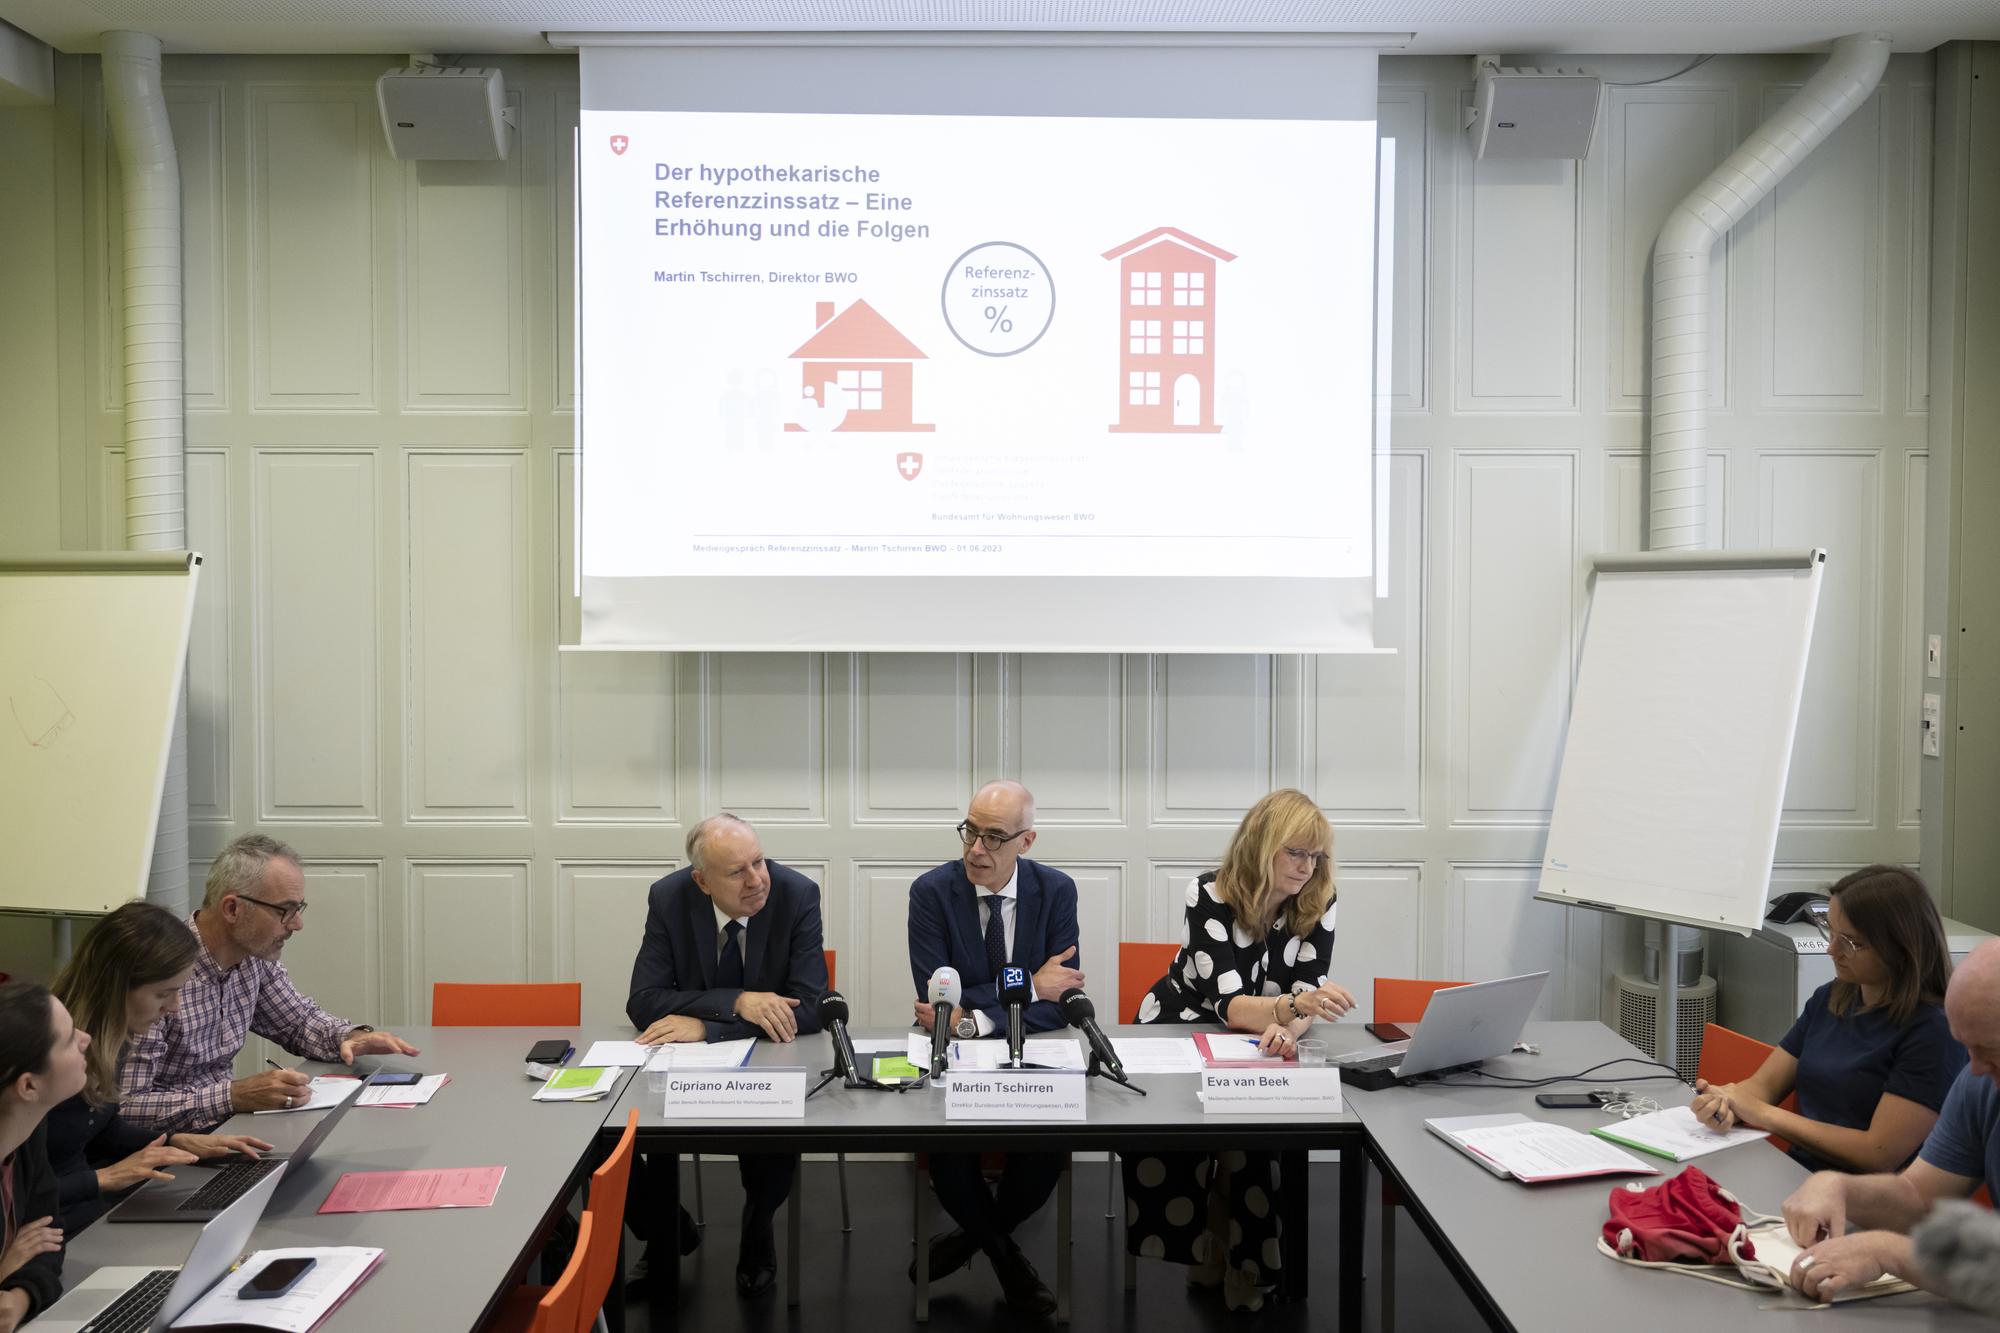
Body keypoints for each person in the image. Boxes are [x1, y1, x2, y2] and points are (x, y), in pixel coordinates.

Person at [1121, 788, 1355, 1312]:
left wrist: (1288, 1031)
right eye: (1296, 852)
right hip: (1178, 1029)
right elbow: (1228, 1003)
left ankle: (1249, 1265)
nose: (1307, 867)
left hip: (1261, 1035)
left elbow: (1307, 987)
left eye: (1316, 856)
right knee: (1194, 1131)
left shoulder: (1321, 899)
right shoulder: (1209, 893)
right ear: (1262, 844)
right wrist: (1293, 1011)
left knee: (1255, 1135)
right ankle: (1209, 1248)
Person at [625, 813, 827, 1300]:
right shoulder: (669, 898)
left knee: (773, 1135)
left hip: (769, 1061)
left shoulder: (796, 894)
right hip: (683, 1068)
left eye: (759, 862)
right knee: (615, 1141)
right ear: (702, 881)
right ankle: (666, 1228)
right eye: (738, 872)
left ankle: (758, 1228)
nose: (757, 880)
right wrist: (737, 1002)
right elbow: (643, 1001)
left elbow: (814, 1005)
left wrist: (709, 1026)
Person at [907, 779, 1082, 1319]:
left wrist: (977, 1017)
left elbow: (1065, 997)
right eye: (969, 832)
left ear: (1026, 842)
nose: (976, 850)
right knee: (950, 1150)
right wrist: (1031, 984)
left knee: (1046, 1151)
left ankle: (970, 1241)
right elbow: (936, 997)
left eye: (994, 837)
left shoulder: (1056, 891)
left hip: (1030, 1052)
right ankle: (1009, 1263)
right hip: (950, 1057)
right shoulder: (931, 892)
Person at [117, 835, 419, 1133]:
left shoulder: (253, 958)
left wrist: (350, 1037)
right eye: (283, 911)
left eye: (298, 909)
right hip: (164, 1152)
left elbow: (298, 1024)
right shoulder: (160, 973)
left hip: (225, 1131)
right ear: (232, 909)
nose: (296, 924)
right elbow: (128, 1108)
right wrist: (234, 1096)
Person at [1691, 865, 1964, 1173]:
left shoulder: (1934, 1031)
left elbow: (1877, 1153)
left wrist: (1760, 1113)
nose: (1831, 949)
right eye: (1830, 931)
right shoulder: (1833, 996)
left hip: (1866, 1203)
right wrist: (1726, 1102)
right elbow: (1762, 1086)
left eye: (1852, 942)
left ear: (1902, 947)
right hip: (1800, 1176)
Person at [1781, 939, 2000, 1304]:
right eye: (1967, 1047)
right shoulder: (1982, 1083)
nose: (1973, 1068)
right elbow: (1919, 1197)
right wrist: (1840, 1187)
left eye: (1990, 1050)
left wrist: (1891, 1253)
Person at [47, 902, 273, 1231]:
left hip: (87, 1212)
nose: (173, 1007)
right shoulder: (49, 1056)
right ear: (117, 986)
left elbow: (101, 1130)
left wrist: (173, 1141)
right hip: (51, 1227)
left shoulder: (114, 1037)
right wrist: (103, 1178)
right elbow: (16, 1191)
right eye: (163, 994)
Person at [0, 982, 90, 1330]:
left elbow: (48, 1241)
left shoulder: (27, 1132)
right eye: (68, 1040)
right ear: (29, 1086)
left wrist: (21, 1296)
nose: (85, 1038)